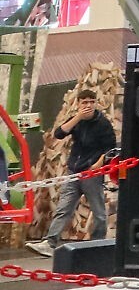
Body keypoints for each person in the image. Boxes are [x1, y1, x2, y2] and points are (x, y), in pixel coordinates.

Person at [25, 88, 116, 255]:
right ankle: (50, 243)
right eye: (84, 102)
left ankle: (98, 244)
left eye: (92, 102)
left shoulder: (103, 124)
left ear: (96, 103)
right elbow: (59, 133)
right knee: (63, 208)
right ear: (78, 104)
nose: (88, 105)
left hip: (91, 173)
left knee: (98, 212)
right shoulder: (77, 120)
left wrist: (98, 164)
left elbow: (110, 148)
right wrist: (78, 117)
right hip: (73, 171)